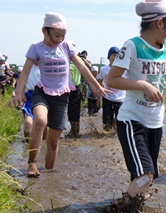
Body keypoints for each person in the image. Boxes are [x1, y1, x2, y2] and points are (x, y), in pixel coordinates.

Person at [106, 0, 166, 213]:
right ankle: (120, 212)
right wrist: (142, 84)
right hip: (132, 119)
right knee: (146, 173)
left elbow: (164, 77)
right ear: (160, 23)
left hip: (156, 121)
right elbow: (112, 80)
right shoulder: (132, 45)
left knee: (145, 178)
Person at [8, 12, 108, 178]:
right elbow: (25, 72)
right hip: (42, 92)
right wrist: (18, 93)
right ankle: (32, 163)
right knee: (40, 120)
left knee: (54, 141)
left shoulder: (67, 46)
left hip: (62, 96)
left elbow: (83, 68)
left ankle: (49, 175)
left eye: (63, 35)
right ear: (44, 31)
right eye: (56, 35)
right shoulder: (36, 48)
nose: (60, 38)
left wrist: (96, 86)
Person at [98, 46, 126, 131]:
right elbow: (100, 81)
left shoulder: (124, 70)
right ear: (108, 57)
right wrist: (99, 93)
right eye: (113, 55)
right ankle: (106, 134)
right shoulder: (103, 69)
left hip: (120, 99)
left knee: (120, 122)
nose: (115, 57)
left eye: (117, 55)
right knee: (106, 122)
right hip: (108, 98)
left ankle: (116, 133)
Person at [67, 58, 82, 138]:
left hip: (75, 89)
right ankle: (72, 130)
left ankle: (76, 131)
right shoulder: (64, 61)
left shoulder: (78, 62)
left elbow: (87, 68)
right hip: (65, 89)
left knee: (75, 109)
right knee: (69, 110)